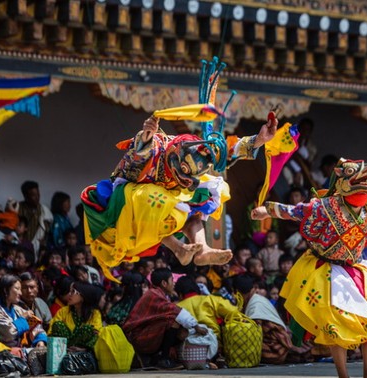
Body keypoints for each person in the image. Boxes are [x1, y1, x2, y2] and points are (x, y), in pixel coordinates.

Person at [81, 58, 279, 281]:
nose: (183, 171)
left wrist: (259, 140)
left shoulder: (197, 157)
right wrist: (146, 135)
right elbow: (136, 158)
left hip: (166, 200)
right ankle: (177, 247)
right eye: (181, 168)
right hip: (131, 203)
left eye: (188, 172)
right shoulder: (157, 147)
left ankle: (200, 248)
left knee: (208, 191)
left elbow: (227, 151)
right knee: (158, 201)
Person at [252, 158, 367, 378]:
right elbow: (297, 210)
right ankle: (343, 375)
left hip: (355, 268)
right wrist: (267, 210)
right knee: (334, 326)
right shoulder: (326, 206)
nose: (366, 185)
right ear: (341, 183)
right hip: (327, 270)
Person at [122, 268, 206, 369]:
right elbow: (175, 311)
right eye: (172, 280)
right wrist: (196, 327)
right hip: (137, 338)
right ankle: (164, 359)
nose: (174, 283)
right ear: (164, 283)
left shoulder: (156, 293)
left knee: (182, 330)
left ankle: (156, 358)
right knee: (173, 321)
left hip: (140, 335)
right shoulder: (154, 294)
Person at [175, 275, 239, 341]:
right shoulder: (211, 299)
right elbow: (232, 311)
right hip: (214, 343)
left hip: (187, 347)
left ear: (180, 294)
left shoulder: (176, 308)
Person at [0, 275, 47, 349]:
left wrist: (40, 340)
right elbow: (8, 334)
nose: (20, 293)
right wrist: (22, 318)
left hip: (20, 352)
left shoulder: (17, 309)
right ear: (5, 290)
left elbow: (36, 326)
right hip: (2, 353)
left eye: (20, 289)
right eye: (17, 289)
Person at [49, 281, 103, 350]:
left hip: (83, 351)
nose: (69, 295)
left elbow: (97, 334)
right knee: (57, 325)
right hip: (63, 348)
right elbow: (51, 331)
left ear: (83, 296)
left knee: (87, 329)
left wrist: (84, 349)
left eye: (73, 291)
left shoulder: (95, 313)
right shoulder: (63, 311)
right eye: (70, 291)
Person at [18, 181, 53, 257]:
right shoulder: (18, 208)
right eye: (33, 195)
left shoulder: (43, 210)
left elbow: (46, 231)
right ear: (26, 196)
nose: (37, 197)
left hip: (37, 248)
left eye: (38, 194)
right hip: (20, 246)